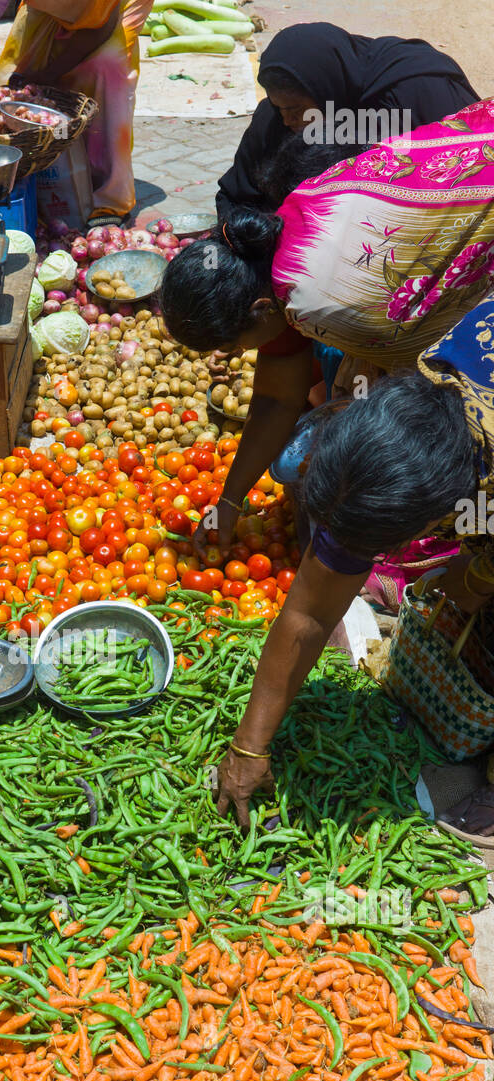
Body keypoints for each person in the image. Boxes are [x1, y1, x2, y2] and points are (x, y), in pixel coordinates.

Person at [212, 293, 494, 832]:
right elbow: (310, 613)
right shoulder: (420, 391)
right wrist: (250, 747)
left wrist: (479, 574)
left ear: (437, 517)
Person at [161, 98, 494, 555]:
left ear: (260, 311)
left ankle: (457, 543)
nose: (236, 358)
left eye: (233, 346)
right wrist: (229, 503)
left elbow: (424, 377)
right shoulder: (278, 243)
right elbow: (277, 398)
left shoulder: (317, 302)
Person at [215, 22, 478, 221]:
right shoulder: (274, 118)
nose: (287, 119)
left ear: (328, 90)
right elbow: (236, 196)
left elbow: (476, 169)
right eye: (278, 106)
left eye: (295, 109)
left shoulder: (419, 89)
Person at [0, 0, 147, 225]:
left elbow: (99, 28)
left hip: (112, 11)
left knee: (103, 69)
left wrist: (48, 75)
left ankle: (107, 198)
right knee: (16, 79)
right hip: (54, 7)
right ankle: (32, 182)